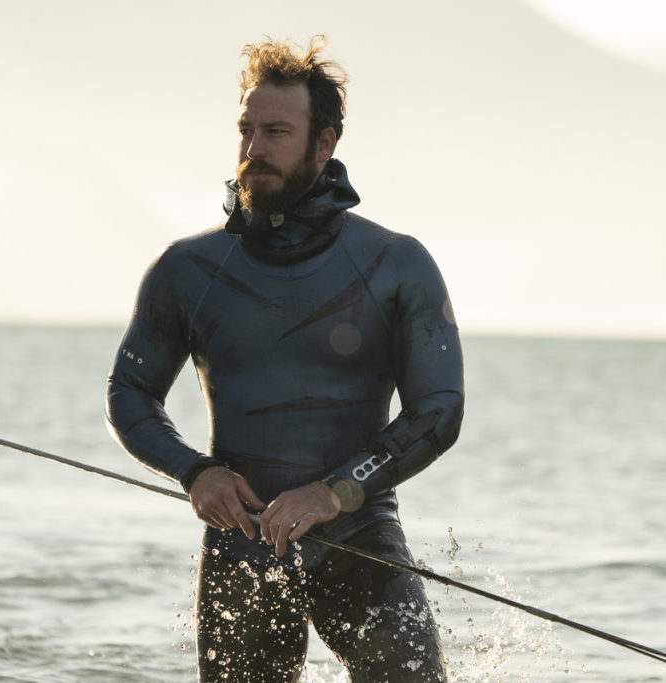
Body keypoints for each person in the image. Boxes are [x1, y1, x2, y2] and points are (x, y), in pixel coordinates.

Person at [106, 36, 464, 682]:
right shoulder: (189, 271)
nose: (253, 150)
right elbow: (129, 390)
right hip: (242, 549)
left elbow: (440, 410)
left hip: (361, 542)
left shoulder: (394, 266)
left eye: (275, 132)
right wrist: (195, 472)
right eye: (246, 130)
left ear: (323, 144)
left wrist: (335, 491)